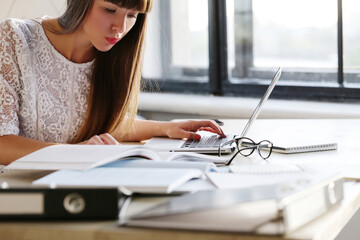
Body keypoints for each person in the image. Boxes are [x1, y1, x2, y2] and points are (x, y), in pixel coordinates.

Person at [0, 0, 225, 165]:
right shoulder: (13, 38)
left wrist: (165, 128)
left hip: (79, 181)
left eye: (132, 15)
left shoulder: (110, 56)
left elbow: (98, 123)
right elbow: (3, 143)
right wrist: (75, 153)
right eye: (110, 10)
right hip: (21, 192)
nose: (120, 27)